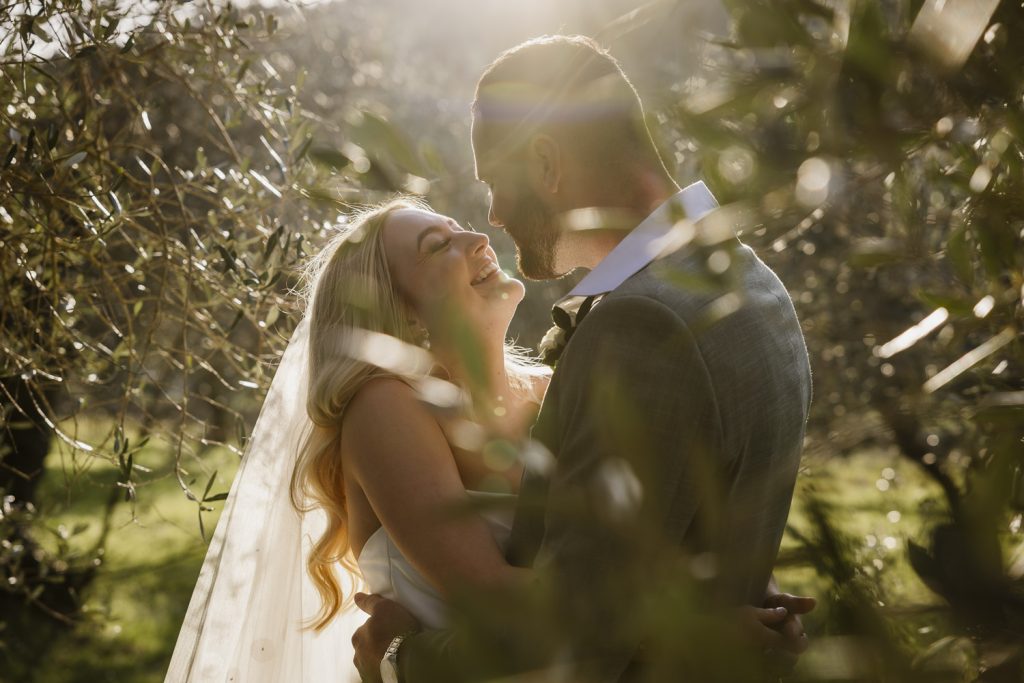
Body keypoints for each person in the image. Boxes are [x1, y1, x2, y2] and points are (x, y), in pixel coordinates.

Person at [351, 35, 815, 683]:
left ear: (546, 163)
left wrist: (401, 657)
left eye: (495, 184)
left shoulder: (641, 326)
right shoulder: (754, 282)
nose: (494, 216)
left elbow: (578, 641)